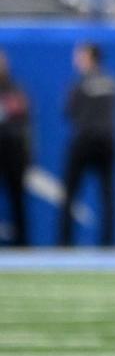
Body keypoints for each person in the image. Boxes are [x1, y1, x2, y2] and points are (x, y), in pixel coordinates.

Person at [60, 42, 115, 246]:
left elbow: (70, 111)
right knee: (107, 193)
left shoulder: (79, 84)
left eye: (80, 56)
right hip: (107, 141)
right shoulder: (112, 82)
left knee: (70, 192)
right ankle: (108, 241)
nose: (76, 60)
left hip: (84, 141)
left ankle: (65, 242)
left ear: (89, 57)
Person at [0, 51, 31, 246]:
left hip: (13, 150)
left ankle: (22, 242)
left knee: (17, 197)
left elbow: (25, 121)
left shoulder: (15, 89)